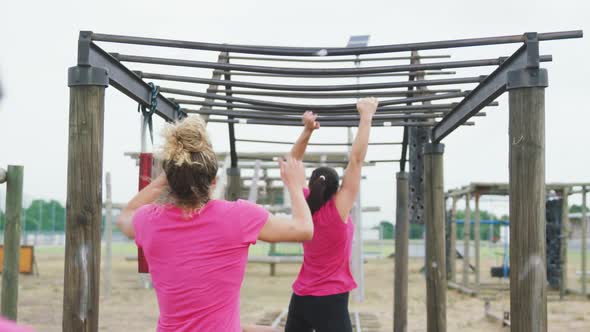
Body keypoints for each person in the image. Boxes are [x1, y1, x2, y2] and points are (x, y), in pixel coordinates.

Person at [116, 115, 314, 332]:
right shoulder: (239, 217)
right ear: (213, 181)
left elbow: (125, 216)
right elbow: (304, 229)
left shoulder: (149, 220)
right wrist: (295, 185)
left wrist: (165, 178)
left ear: (170, 180)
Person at [284, 97, 378, 332]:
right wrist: (366, 116)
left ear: (313, 185)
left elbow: (292, 162)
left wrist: (307, 130)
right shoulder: (338, 209)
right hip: (331, 300)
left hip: (301, 298)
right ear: (336, 190)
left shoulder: (304, 204)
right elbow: (355, 161)